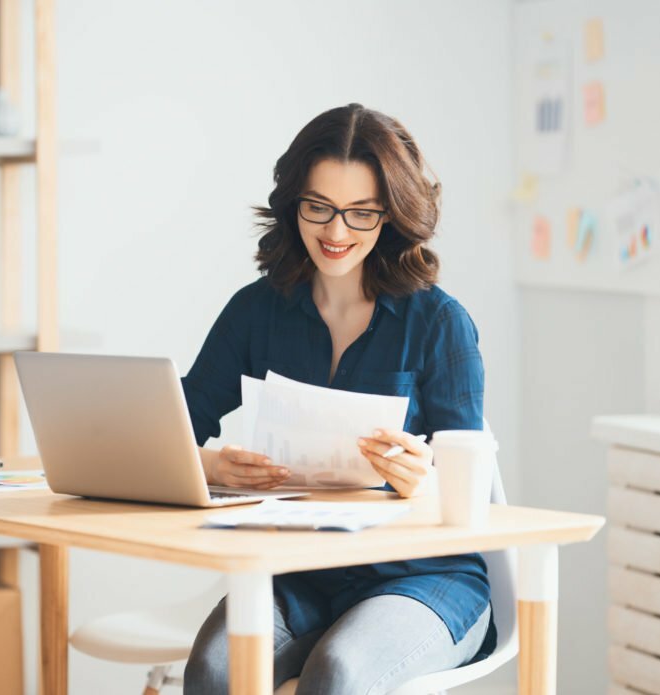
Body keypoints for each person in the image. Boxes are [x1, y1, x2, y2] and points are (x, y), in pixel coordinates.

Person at [180, 103, 494, 695]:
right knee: (215, 671)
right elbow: (170, 429)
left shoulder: (439, 322)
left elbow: (467, 494)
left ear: (392, 216)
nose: (336, 231)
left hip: (424, 579)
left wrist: (422, 477)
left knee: (337, 673)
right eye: (319, 207)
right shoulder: (257, 311)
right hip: (300, 571)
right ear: (293, 202)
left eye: (361, 213)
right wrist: (213, 466)